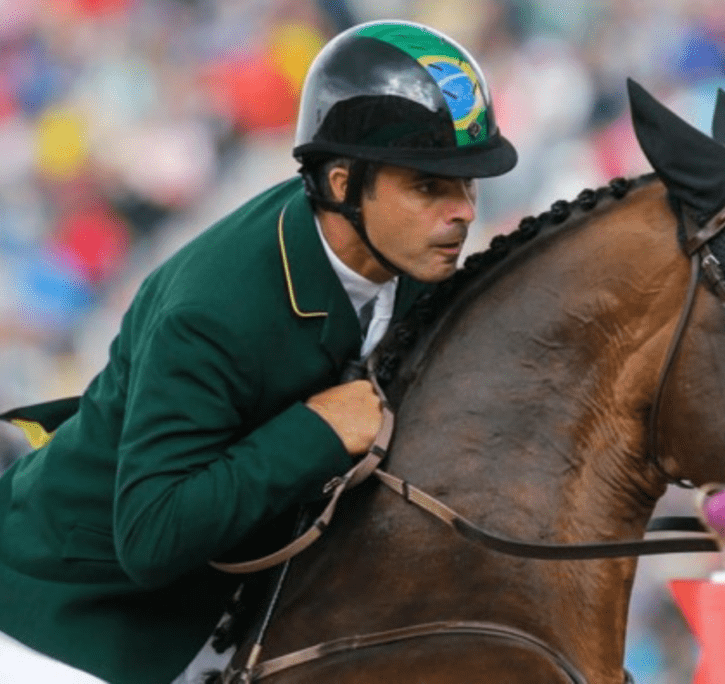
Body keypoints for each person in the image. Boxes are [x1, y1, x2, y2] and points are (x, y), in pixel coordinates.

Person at [0, 20, 516, 684]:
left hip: (230, 613)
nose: (464, 212)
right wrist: (318, 431)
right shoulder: (214, 309)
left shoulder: (413, 254)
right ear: (340, 185)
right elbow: (153, 538)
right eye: (429, 186)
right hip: (74, 626)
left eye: (468, 184)